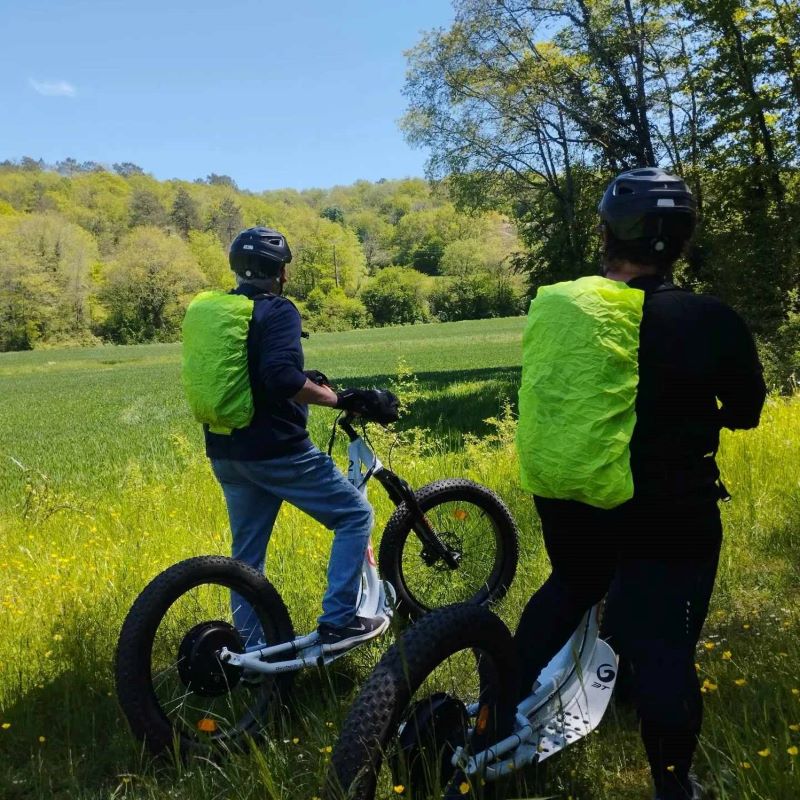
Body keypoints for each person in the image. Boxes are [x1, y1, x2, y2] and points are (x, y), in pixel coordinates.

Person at [513, 169, 766, 800]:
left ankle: (494, 709)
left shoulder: (566, 308)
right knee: (664, 645)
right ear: (681, 243)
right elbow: (745, 410)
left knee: (571, 586)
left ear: (606, 235)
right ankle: (673, 787)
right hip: (668, 507)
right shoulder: (708, 318)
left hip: (572, 494)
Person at [200, 226, 398, 652]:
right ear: (281, 272)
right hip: (276, 451)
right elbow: (279, 378)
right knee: (355, 515)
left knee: (246, 559)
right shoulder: (278, 310)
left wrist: (306, 379)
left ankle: (254, 653)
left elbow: (252, 373)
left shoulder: (224, 312)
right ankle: (339, 622)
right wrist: (341, 399)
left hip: (227, 451)